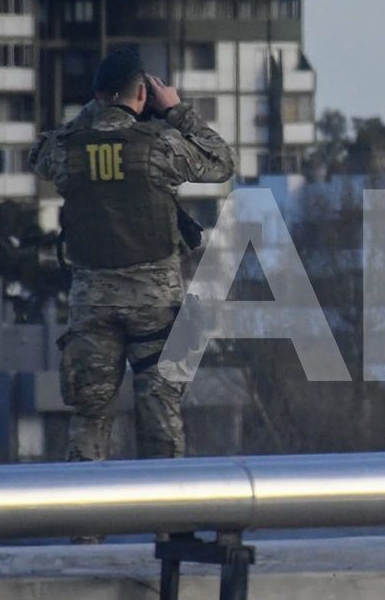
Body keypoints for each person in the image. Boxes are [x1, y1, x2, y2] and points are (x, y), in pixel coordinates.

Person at [30, 47, 234, 467]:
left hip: (92, 301)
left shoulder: (67, 150)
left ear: (97, 95)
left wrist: (99, 111)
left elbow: (40, 155)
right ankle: (165, 506)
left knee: (89, 414)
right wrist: (176, 111)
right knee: (160, 410)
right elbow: (221, 162)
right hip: (154, 301)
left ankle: (85, 507)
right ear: (142, 93)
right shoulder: (159, 145)